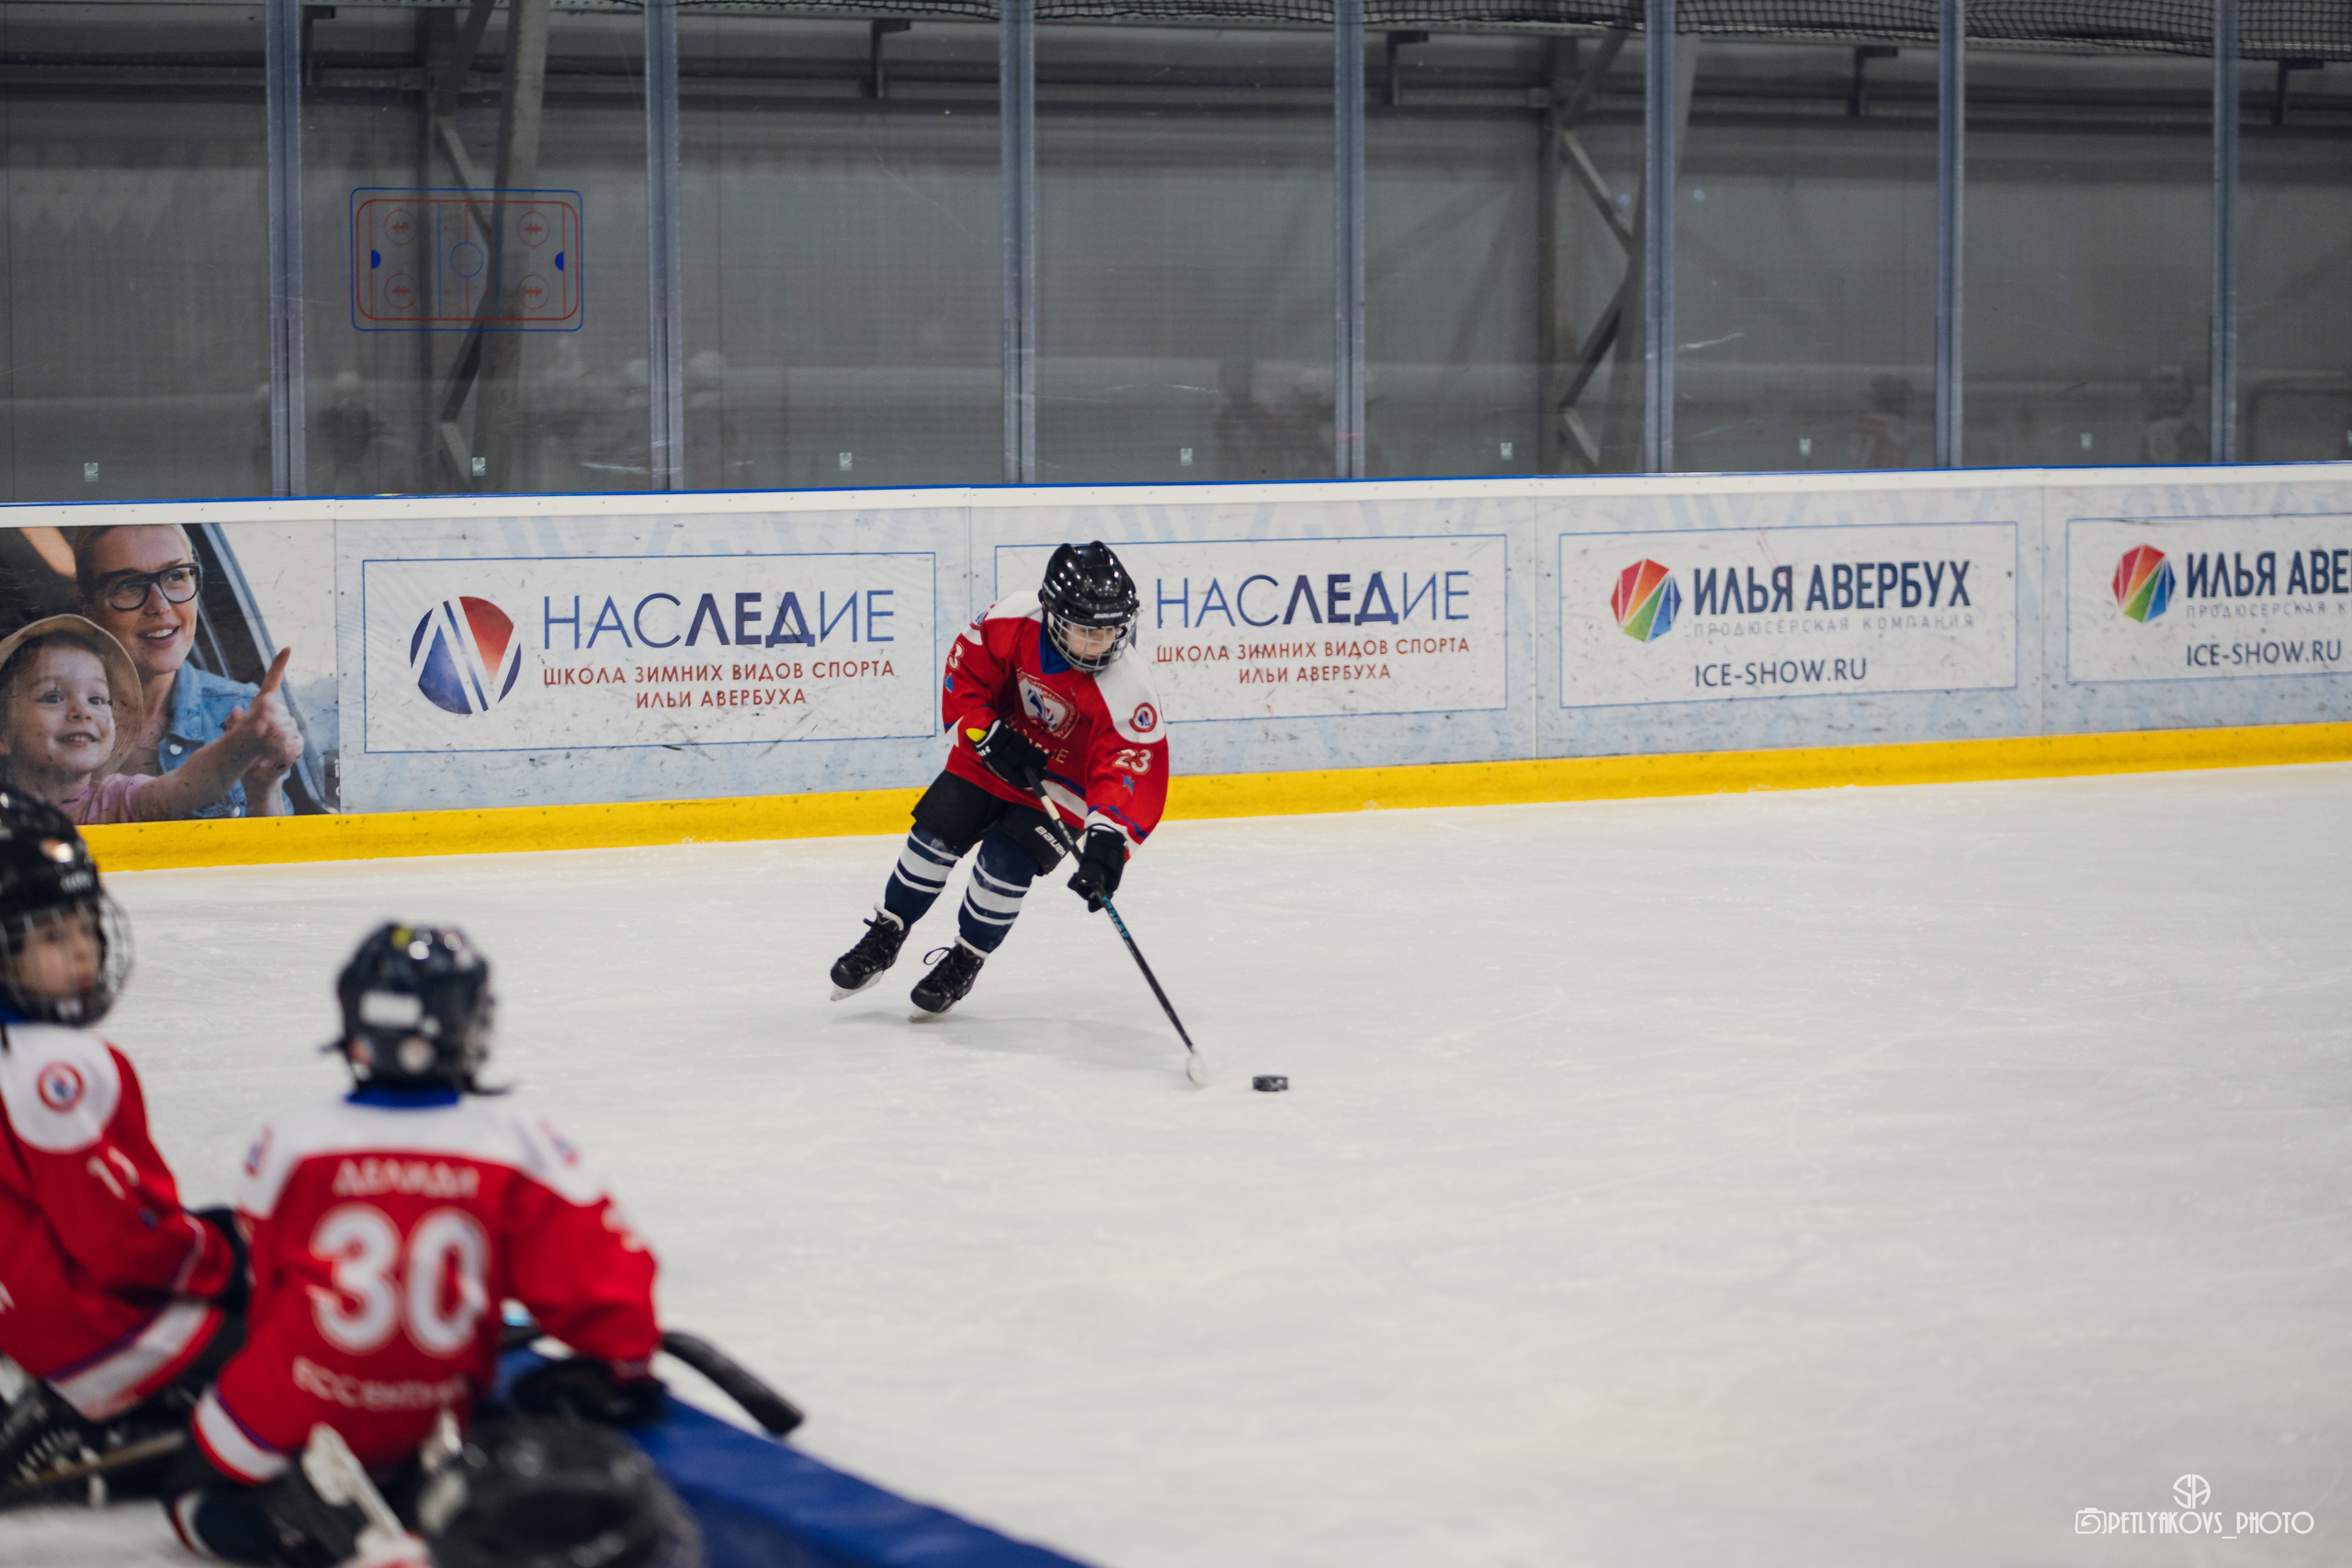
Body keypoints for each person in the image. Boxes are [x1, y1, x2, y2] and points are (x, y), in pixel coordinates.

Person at [164, 922, 664, 1565]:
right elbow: (608, 1287)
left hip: (290, 1405)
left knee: (188, 1496)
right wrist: (625, 1366)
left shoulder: (289, 1140)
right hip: (436, 1414)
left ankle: (309, 1530)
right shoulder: (520, 1144)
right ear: (470, 1026)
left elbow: (270, 1286)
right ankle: (403, 1515)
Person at [0, 792, 245, 1502]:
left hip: (33, 1325)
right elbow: (119, 1243)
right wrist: (229, 1261)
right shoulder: (56, 1068)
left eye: (82, 926)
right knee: (302, 1333)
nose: (81, 951)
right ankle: (118, 1423)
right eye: (49, 936)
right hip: (99, 1335)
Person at [829, 541, 1170, 1017]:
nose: (1101, 644)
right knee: (931, 840)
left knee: (1001, 869)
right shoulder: (1013, 617)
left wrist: (1108, 842)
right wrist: (984, 733)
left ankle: (966, 958)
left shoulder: (1130, 687)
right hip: (990, 760)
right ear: (1053, 614)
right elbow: (965, 674)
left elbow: (1129, 767)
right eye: (1086, 631)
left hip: (1061, 792)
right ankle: (888, 930)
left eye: (1111, 630)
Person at [72, 523, 303, 818]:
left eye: (176, 576)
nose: (160, 605)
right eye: (128, 585)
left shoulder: (244, 711)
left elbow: (274, 860)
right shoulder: (56, 722)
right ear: (88, 606)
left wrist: (264, 789)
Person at [0, 615, 298, 824]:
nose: (83, 712)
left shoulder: (115, 800)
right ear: (3, 734)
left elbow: (187, 783)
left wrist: (240, 746)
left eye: (97, 699)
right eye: (53, 697)